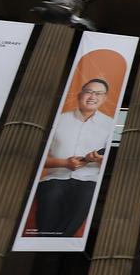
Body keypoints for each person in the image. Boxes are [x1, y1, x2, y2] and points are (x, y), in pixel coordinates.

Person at [35, 78, 114, 237]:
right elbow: (36, 156)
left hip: (89, 181)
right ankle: (45, 240)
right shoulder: (58, 120)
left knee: (86, 197)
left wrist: (99, 159)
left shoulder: (111, 125)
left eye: (98, 93)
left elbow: (114, 162)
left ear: (105, 98)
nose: (93, 97)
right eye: (89, 92)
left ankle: (59, 242)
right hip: (55, 178)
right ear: (80, 95)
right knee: (50, 198)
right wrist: (64, 163)